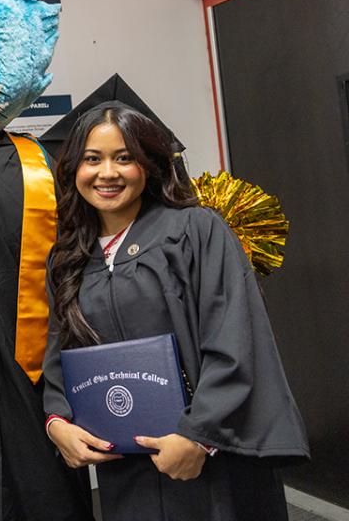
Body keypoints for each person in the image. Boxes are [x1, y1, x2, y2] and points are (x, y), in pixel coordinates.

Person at [42, 101, 310, 520]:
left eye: (124, 158)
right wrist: (57, 421)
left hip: (209, 457)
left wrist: (198, 437)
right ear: (74, 168)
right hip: (126, 465)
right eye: (92, 159)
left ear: (149, 165)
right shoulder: (69, 258)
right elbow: (60, 349)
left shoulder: (195, 230)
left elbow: (235, 337)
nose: (107, 173)